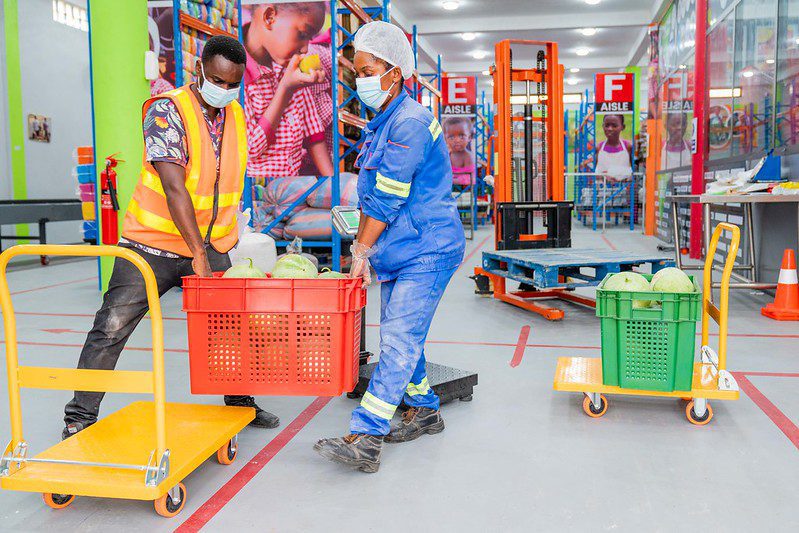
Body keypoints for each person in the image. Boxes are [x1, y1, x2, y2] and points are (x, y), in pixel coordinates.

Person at [62, 35, 279, 440]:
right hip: (152, 245)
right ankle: (79, 417)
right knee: (111, 326)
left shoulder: (236, 116)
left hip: (213, 245)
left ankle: (239, 402)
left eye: (234, 84)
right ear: (199, 69)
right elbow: (175, 187)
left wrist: (226, 236)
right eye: (218, 80)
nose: (226, 90)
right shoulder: (167, 111)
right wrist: (196, 251)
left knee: (231, 326)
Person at [314, 21, 466, 473]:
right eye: (355, 71)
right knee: (403, 336)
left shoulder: (411, 122)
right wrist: (364, 251)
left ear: (394, 72)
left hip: (428, 248)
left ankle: (367, 436)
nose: (358, 79)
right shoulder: (383, 123)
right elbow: (369, 196)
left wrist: (360, 251)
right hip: (399, 249)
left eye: (366, 69)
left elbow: (389, 194)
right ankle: (424, 409)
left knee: (399, 337)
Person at [243, 2, 333, 180]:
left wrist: (333, 182)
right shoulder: (236, 74)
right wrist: (285, 90)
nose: (306, 48)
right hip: (256, 194)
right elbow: (251, 148)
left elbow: (313, 132)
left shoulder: (289, 70)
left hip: (291, 189)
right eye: (302, 34)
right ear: (270, 17)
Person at [595, 113, 633, 179]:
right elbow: (590, 173)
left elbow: (634, 171)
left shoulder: (628, 146)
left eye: (614, 126)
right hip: (602, 188)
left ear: (622, 127)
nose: (610, 129)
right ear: (602, 126)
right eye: (606, 126)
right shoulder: (598, 147)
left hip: (623, 187)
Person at [443, 116, 475, 186]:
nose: (457, 140)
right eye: (451, 137)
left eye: (461, 136)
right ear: (445, 139)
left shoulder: (467, 156)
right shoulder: (448, 155)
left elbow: (471, 179)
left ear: (469, 137)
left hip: (464, 192)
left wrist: (452, 180)